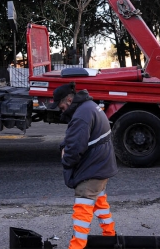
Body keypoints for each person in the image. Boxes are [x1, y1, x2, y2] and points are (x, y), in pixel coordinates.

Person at [54, 82, 118, 249]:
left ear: (68, 99)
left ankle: (77, 246)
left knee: (82, 210)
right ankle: (110, 236)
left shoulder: (82, 114)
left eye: (61, 106)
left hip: (92, 169)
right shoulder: (89, 107)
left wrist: (65, 158)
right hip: (100, 167)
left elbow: (74, 148)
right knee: (100, 202)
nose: (61, 110)